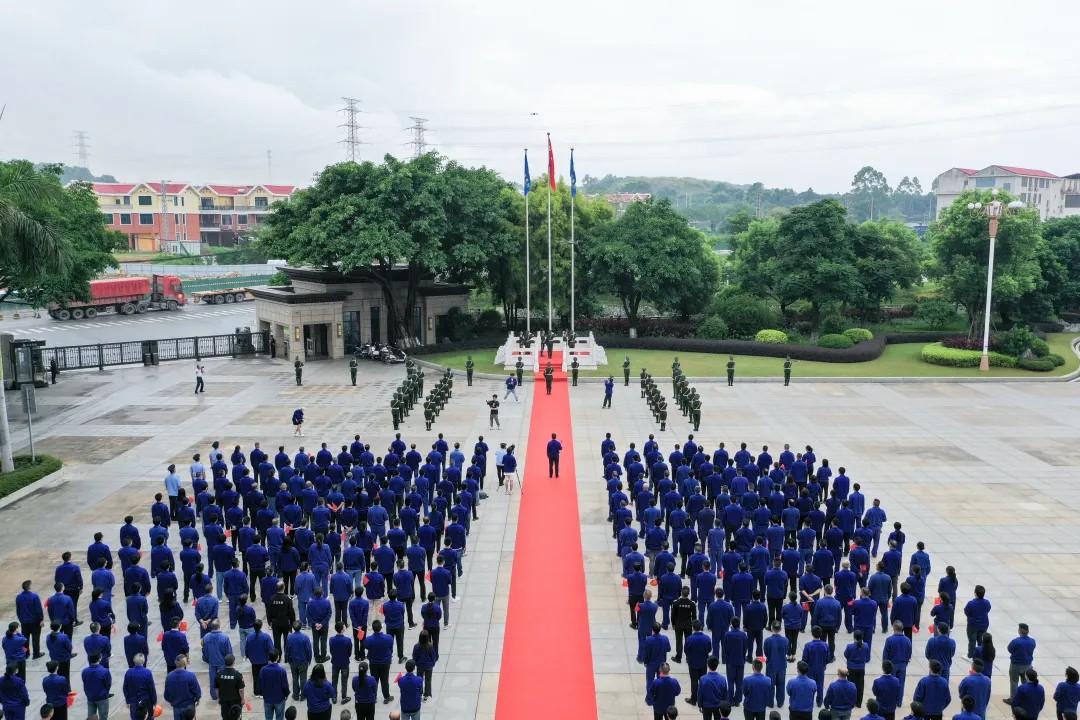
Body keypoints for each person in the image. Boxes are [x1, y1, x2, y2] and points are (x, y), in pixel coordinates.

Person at [163, 655, 201, 720]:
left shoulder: (169, 676)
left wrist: (172, 702)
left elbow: (166, 694)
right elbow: (196, 690)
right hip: (189, 707)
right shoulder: (190, 676)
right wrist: (198, 699)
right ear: (185, 663)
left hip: (176, 707)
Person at [1007, 624, 1037, 703]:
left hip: (1015, 665)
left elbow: (1009, 649)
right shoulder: (1032, 641)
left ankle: (1013, 699)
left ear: (1019, 631)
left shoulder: (1016, 641)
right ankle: (1026, 697)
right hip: (1027, 665)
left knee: (1014, 682)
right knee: (1025, 681)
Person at [122, 653, 157, 720]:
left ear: (134, 661)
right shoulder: (147, 672)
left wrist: (128, 700)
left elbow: (125, 688)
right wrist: (154, 702)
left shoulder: (128, 672)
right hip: (146, 702)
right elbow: (152, 689)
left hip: (133, 702)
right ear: (143, 661)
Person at [260, 651, 290, 720]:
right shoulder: (281, 670)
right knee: (279, 717)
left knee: (268, 717)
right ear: (278, 657)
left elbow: (261, 684)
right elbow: (285, 685)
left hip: (267, 699)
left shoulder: (263, 670)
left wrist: (263, 694)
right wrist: (286, 694)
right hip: (279, 699)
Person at [82, 652, 112, 720]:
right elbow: (108, 684)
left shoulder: (84, 671)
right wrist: (105, 692)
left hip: (90, 697)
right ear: (99, 659)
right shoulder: (104, 671)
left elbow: (84, 682)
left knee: (91, 717)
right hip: (102, 697)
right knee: (103, 717)